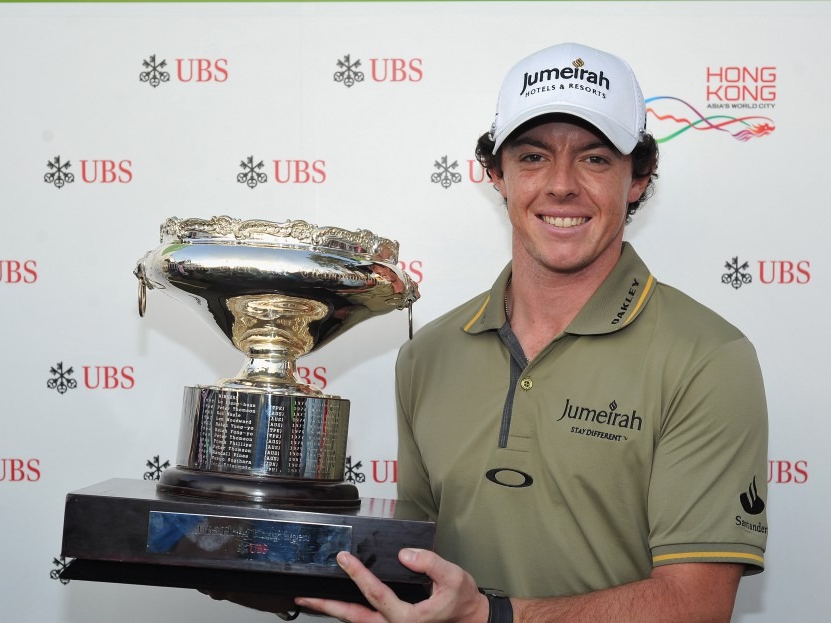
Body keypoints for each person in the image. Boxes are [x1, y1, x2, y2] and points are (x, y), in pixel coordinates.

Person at [292, 42, 770, 623]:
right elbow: (412, 567)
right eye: (533, 157)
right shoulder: (428, 354)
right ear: (497, 174)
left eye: (595, 159)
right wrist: (251, 564)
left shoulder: (708, 356)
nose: (561, 185)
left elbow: (698, 604)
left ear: (639, 177)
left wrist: (495, 616)